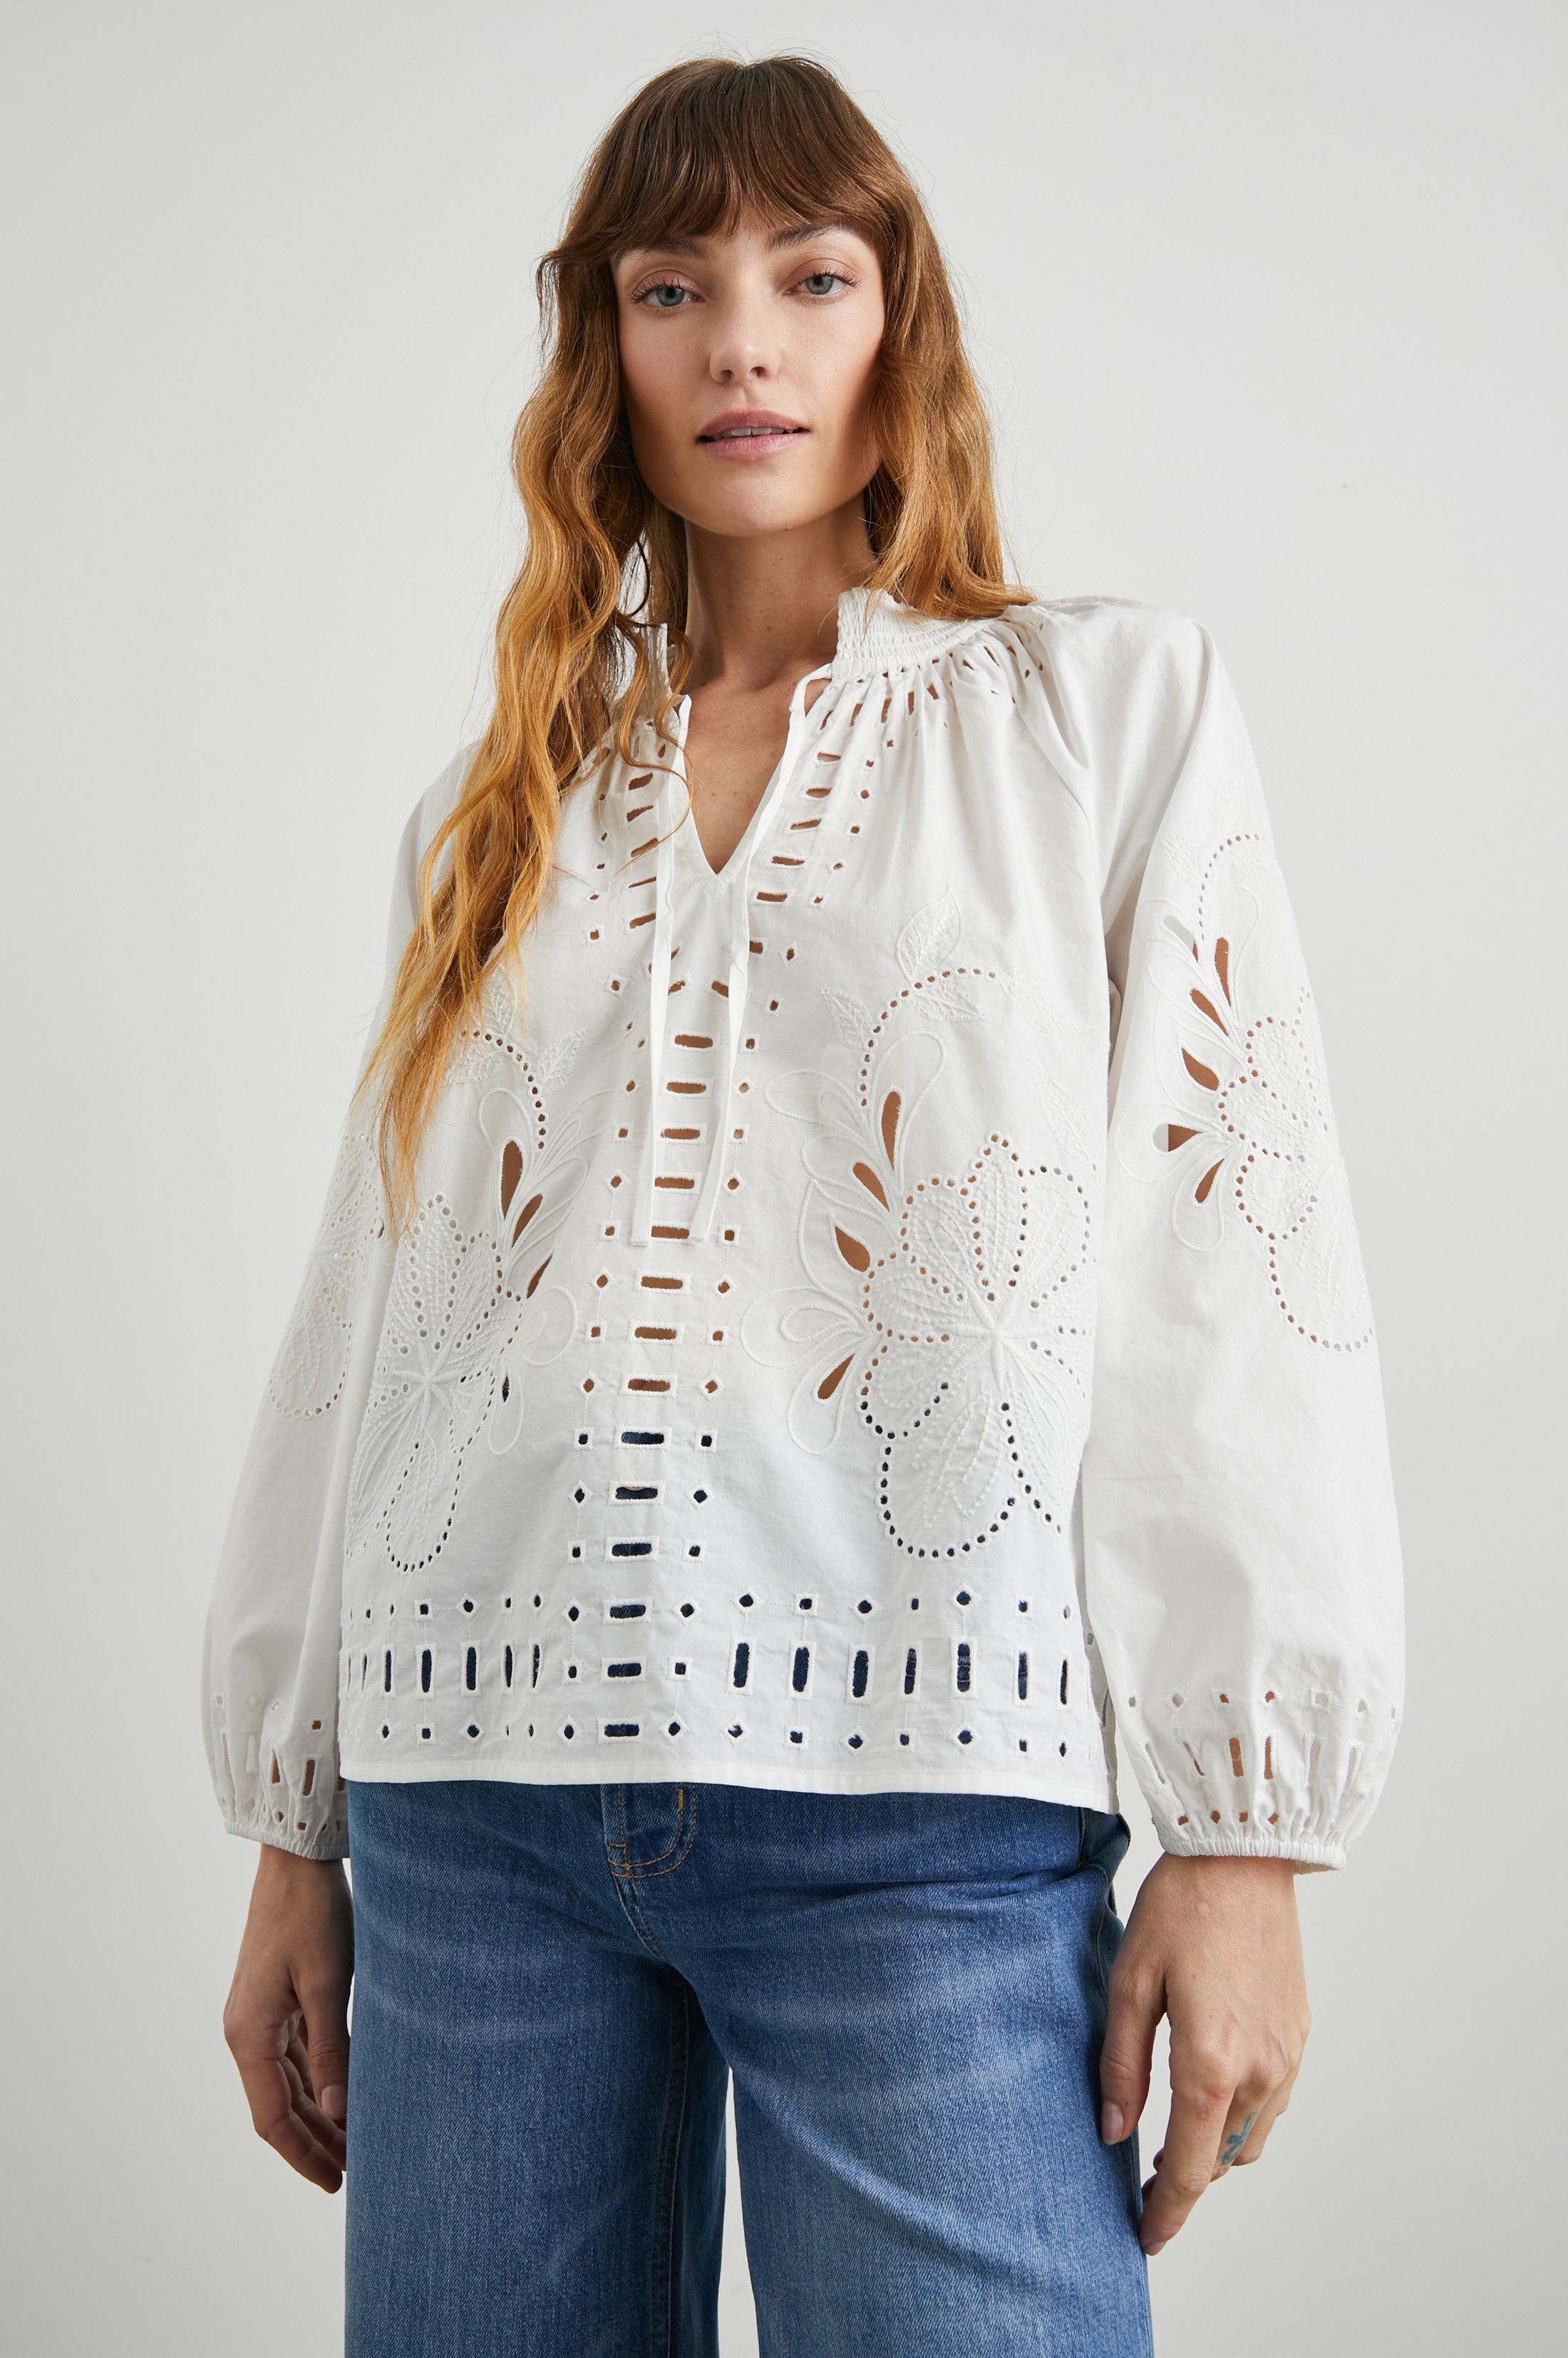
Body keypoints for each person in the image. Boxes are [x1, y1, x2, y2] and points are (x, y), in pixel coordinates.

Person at [205, 53, 1403, 2358]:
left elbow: (1231, 1262)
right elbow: (373, 1315)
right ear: (607, 349)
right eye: (674, 288)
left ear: (894, 321)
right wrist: (296, 1814)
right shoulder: (502, 801)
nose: (742, 343)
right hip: (472, 1817)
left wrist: (1245, 1827)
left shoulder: (1097, 720)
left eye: (809, 277)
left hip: (925, 1811)